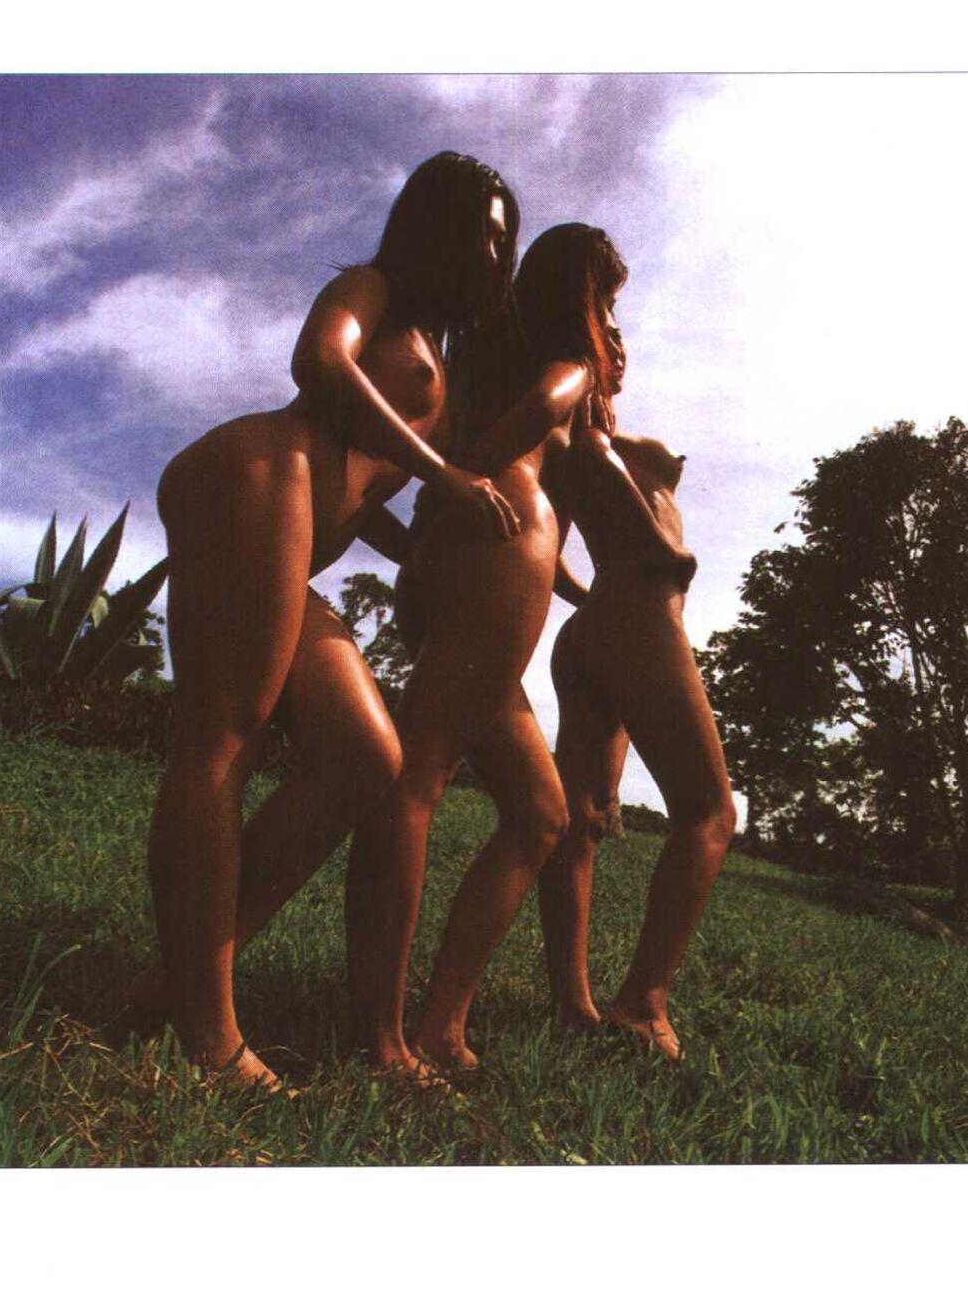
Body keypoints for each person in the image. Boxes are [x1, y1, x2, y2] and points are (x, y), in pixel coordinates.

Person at [134, 152, 522, 1091]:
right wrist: (441, 474)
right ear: (430, 226)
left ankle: (181, 976)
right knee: (222, 739)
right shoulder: (371, 289)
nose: (490, 252)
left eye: (503, 239)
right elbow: (318, 361)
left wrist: (416, 547)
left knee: (366, 755)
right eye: (477, 229)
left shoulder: (439, 351)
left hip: (291, 522)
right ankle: (208, 1037)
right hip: (255, 472)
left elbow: (361, 484)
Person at [344, 224, 631, 1078]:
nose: (613, 324)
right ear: (584, 299)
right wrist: (463, 476)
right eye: (609, 304)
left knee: (542, 813)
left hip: (451, 563)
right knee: (417, 779)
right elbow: (545, 408)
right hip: (500, 549)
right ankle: (382, 1035)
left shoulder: (474, 368)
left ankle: (441, 1025)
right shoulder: (562, 364)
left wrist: (450, 509)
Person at [538, 387, 737, 1061]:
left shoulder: (570, 429)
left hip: (600, 621)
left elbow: (551, 541)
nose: (618, 349)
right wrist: (665, 557)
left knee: (585, 816)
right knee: (710, 811)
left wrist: (591, 599)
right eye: (610, 339)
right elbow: (590, 460)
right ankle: (642, 1005)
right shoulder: (579, 425)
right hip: (640, 613)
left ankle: (573, 1004)